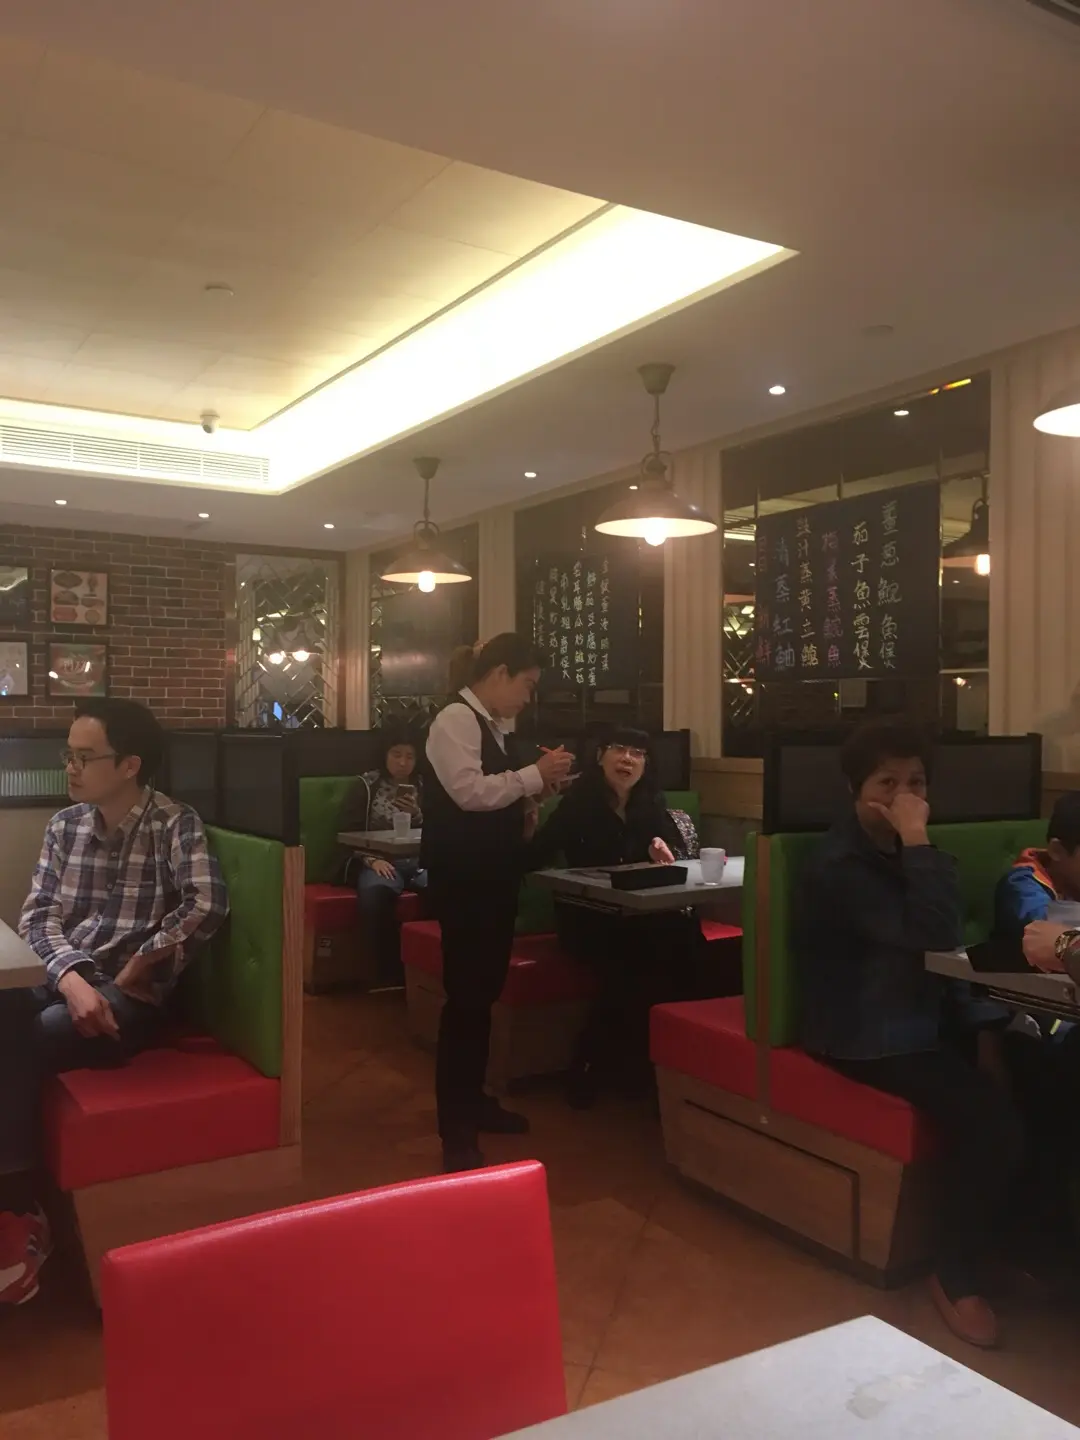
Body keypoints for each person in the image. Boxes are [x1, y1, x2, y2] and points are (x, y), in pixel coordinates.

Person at [800, 719, 1023, 1349]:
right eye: (887, 783)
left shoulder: (906, 852)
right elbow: (933, 936)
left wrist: (985, 1031)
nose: (904, 796)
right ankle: (953, 1273)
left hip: (924, 1019)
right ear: (855, 789)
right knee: (990, 1119)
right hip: (864, 1031)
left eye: (917, 783)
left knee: (1042, 1072)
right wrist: (919, 837)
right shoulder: (838, 865)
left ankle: (1006, 1245)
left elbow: (948, 953)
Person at [0, 698, 228, 1305]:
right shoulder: (64, 826)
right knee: (11, 1017)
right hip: (68, 977)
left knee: (38, 1031)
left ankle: (20, 1208)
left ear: (130, 764)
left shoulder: (174, 823)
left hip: (132, 996)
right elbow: (37, 916)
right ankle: (20, 1203)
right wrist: (73, 977)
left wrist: (144, 959)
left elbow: (207, 903)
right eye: (68, 755)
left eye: (84, 757)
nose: (70, 769)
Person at [423, 633, 573, 1173]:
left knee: (483, 995)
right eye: (527, 685)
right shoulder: (455, 720)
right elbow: (468, 792)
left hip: (493, 876)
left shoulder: (493, 726)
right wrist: (533, 776)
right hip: (465, 880)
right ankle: (455, 1127)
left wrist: (534, 795)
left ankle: (475, 1101)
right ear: (500, 672)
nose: (528, 699)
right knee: (465, 999)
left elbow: (496, 793)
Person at [527, 726, 699, 1107]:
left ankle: (663, 1068)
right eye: (619, 749)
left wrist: (661, 848)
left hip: (640, 915)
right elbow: (536, 856)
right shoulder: (578, 804)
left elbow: (669, 852)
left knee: (685, 940)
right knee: (636, 959)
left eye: (638, 753)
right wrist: (527, 820)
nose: (627, 759)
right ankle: (596, 1064)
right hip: (589, 915)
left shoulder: (652, 803)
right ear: (600, 755)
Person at [338, 729, 426, 984]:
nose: (403, 762)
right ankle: (383, 971)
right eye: (396, 755)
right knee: (377, 890)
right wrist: (372, 860)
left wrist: (418, 814)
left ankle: (424, 969)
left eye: (409, 756)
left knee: (446, 886)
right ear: (385, 755)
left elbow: (440, 830)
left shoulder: (425, 786)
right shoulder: (367, 785)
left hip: (419, 860)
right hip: (378, 859)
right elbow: (347, 832)